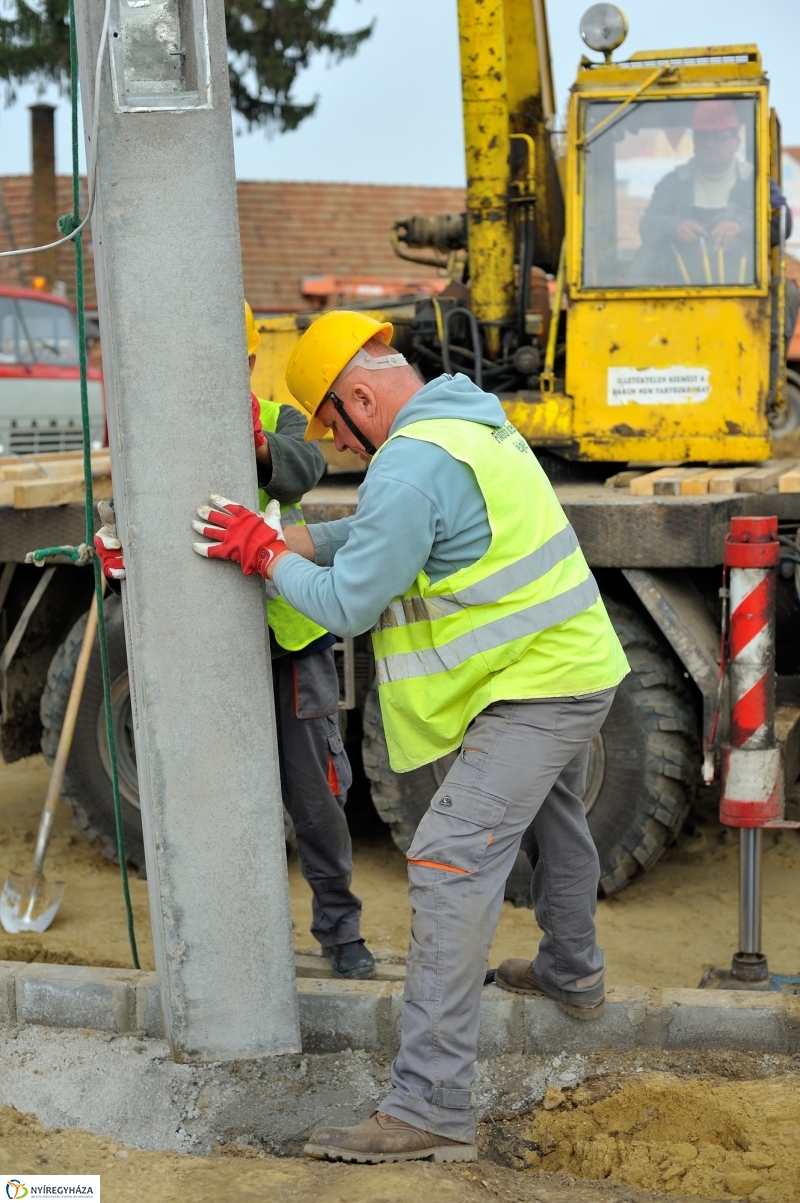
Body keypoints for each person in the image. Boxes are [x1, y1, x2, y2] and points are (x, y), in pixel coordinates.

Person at [190, 310, 629, 1164]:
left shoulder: (410, 465)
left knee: (446, 863)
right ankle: (572, 970)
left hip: (535, 685)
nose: (341, 447)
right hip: (570, 663)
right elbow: (380, 533)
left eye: (335, 430)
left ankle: (428, 1103)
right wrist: (287, 538)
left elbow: (349, 601)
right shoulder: (466, 421)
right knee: (556, 816)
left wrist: (264, 558)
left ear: (359, 395)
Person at [96, 302, 375, 981]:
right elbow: (136, 509)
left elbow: (304, 466)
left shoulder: (276, 419)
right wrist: (114, 543)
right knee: (213, 799)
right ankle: (233, 937)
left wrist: (254, 447)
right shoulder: (163, 432)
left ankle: (340, 931)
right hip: (204, 647)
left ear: (249, 363)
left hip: (287, 643)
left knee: (316, 800)